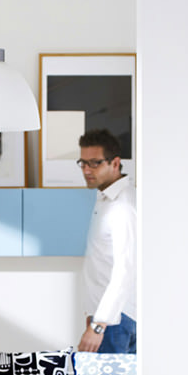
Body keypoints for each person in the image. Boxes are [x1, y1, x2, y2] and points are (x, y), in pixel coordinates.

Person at [76, 128, 137, 354]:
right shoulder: (105, 198)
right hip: (107, 319)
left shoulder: (123, 206)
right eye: (82, 163)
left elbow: (125, 270)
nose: (87, 170)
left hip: (116, 322)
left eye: (95, 163)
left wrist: (99, 325)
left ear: (115, 163)